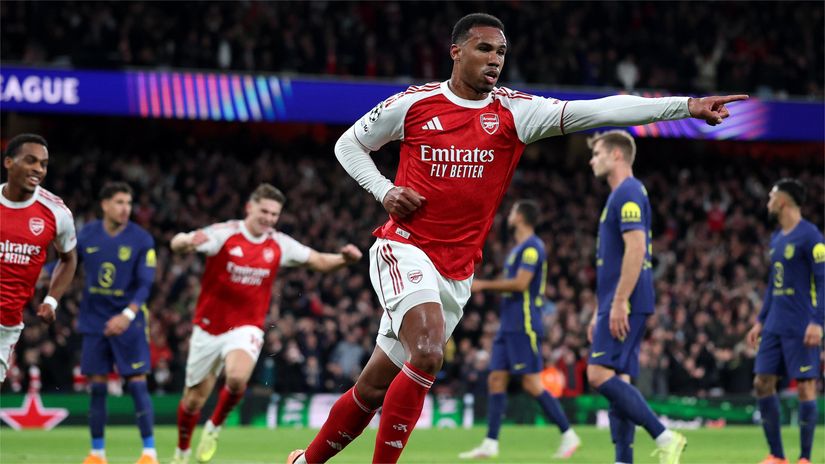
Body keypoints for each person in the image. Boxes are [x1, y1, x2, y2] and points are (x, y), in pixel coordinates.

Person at [287, 12, 745, 464]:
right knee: (427, 354)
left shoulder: (515, 112)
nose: (495, 59)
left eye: (501, 52)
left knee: (371, 387)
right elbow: (348, 144)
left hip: (457, 271)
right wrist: (384, 190)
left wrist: (684, 106)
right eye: (484, 49)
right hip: (403, 247)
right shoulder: (414, 104)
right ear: (457, 51)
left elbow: (600, 109)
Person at [169, 183, 362, 464]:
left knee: (236, 378)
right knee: (193, 400)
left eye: (274, 214)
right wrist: (184, 242)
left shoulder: (279, 243)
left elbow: (318, 260)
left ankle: (214, 427)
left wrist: (344, 260)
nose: (269, 218)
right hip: (208, 327)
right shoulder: (225, 234)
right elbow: (179, 243)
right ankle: (182, 452)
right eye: (265, 211)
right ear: (250, 207)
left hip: (246, 327)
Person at [585, 130, 686, 464]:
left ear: (616, 155)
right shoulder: (621, 194)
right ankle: (623, 459)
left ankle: (665, 436)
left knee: (598, 375)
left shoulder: (628, 191)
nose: (592, 160)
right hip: (621, 299)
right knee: (620, 378)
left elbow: (637, 247)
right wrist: (601, 308)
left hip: (626, 300)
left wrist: (616, 303)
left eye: (597, 153)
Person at [459, 200, 580, 460]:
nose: (509, 215)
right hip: (508, 324)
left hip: (523, 323)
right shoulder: (516, 250)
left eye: (513, 212)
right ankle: (490, 443)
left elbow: (520, 284)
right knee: (496, 378)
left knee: (531, 382)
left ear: (522, 218)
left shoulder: (533, 248)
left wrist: (483, 286)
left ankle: (569, 434)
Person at [75, 182, 158, 464]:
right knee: (97, 387)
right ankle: (97, 453)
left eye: (129, 203)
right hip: (94, 321)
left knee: (136, 383)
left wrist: (128, 314)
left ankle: (149, 452)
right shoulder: (86, 233)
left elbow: (146, 284)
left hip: (130, 322)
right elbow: (68, 266)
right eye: (120, 202)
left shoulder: (142, 239)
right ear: (105, 205)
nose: (126, 209)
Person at [746, 179, 823, 464]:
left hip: (801, 324)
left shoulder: (811, 236)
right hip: (775, 323)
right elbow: (772, 285)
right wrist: (760, 320)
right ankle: (777, 455)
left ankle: (804, 457)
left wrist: (818, 321)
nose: (767, 201)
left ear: (784, 201)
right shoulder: (777, 239)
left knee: (805, 385)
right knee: (762, 383)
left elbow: (824, 280)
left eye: (771, 196)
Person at [0, 133, 77, 384]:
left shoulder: (57, 212)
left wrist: (52, 300)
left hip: (6, 324)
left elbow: (68, 259)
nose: (38, 169)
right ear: (9, 162)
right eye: (31, 160)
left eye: (43, 164)